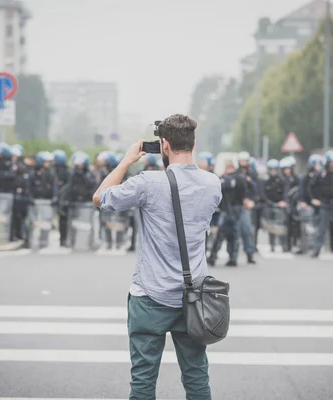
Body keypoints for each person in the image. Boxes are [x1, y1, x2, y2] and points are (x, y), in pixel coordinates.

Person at [93, 114, 221, 400]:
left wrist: (127, 160)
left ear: (164, 146)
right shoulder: (213, 184)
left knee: (142, 381)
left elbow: (100, 198)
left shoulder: (147, 183)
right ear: (193, 142)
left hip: (150, 296)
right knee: (197, 377)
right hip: (193, 298)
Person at [207, 160, 249, 267]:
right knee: (229, 235)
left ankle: (218, 258)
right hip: (232, 210)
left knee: (226, 235)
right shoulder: (237, 178)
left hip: (230, 210)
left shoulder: (230, 178)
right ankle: (227, 258)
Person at [236, 151, 257, 263]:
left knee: (247, 230)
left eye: (245, 161)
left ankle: (250, 254)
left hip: (246, 207)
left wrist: (252, 201)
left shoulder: (252, 174)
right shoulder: (236, 173)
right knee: (235, 231)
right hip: (237, 204)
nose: (243, 163)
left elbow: (255, 189)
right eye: (242, 161)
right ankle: (232, 256)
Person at [263, 158, 288, 252]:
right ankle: (272, 245)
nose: (273, 171)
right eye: (271, 169)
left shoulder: (282, 180)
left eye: (275, 169)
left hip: (280, 206)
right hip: (269, 205)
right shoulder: (266, 181)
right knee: (271, 226)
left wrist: (283, 201)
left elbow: (286, 192)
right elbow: (263, 194)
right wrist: (269, 203)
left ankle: (284, 245)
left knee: (281, 226)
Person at [11, 145, 32, 242]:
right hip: (14, 195)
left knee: (23, 217)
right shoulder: (11, 166)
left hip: (24, 196)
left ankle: (23, 235)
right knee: (15, 217)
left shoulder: (22, 167)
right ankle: (16, 235)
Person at [53, 149, 71, 246]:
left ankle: (65, 239)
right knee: (61, 220)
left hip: (65, 200)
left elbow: (68, 186)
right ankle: (62, 239)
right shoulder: (54, 171)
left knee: (65, 220)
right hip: (59, 199)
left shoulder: (66, 172)